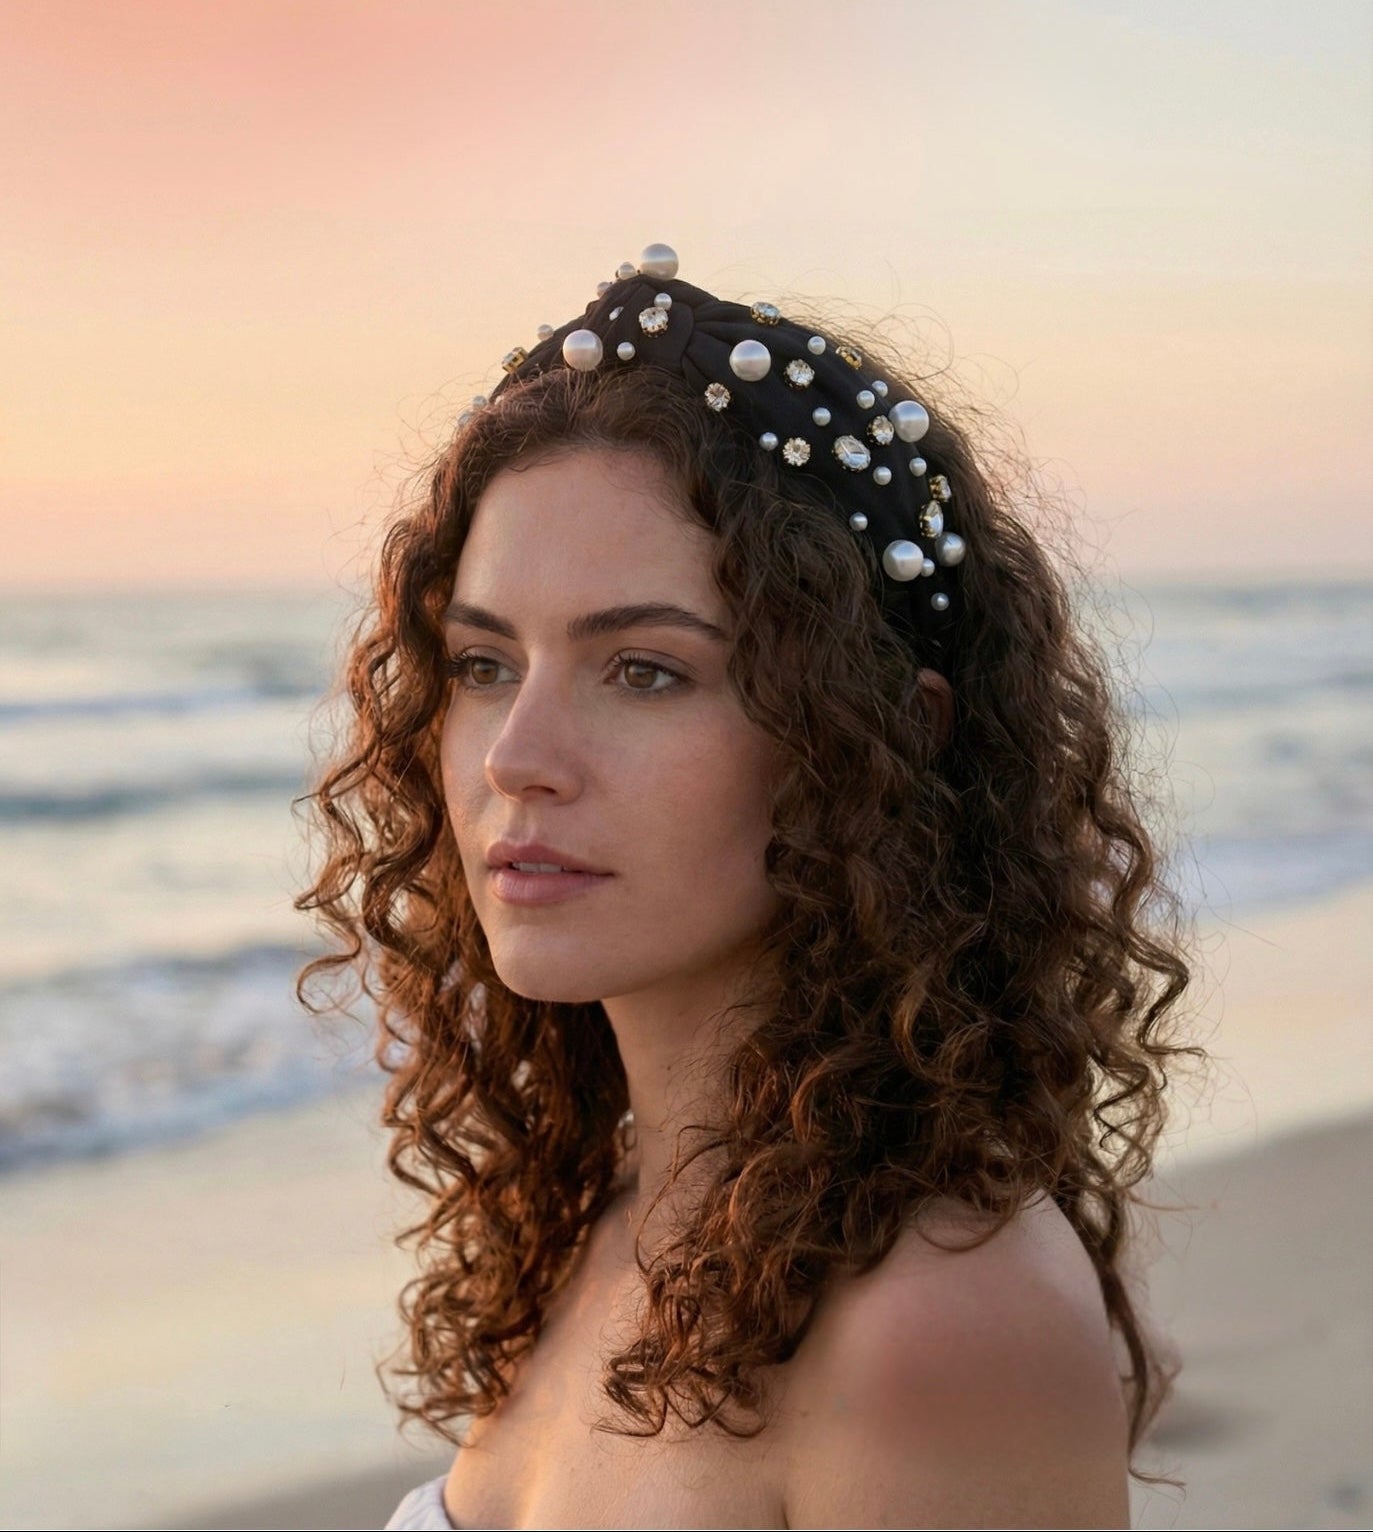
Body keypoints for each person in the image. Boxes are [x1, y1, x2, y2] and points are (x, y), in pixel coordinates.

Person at [297, 243, 1198, 1529]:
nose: (516, 757)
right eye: (485, 664)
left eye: (644, 671)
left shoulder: (932, 1318)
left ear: (882, 730)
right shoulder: (612, 1214)